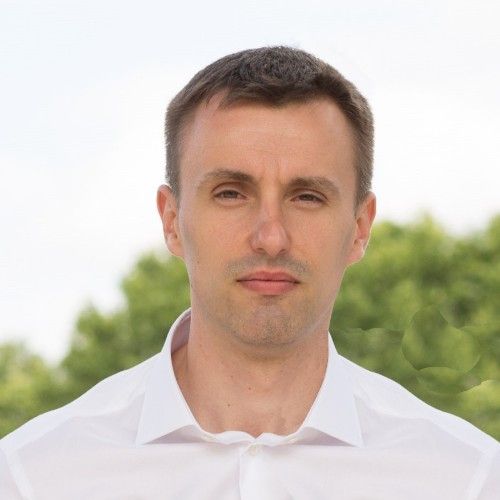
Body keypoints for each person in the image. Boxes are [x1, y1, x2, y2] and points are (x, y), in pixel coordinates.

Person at [1, 46, 498, 499]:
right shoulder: (32, 478)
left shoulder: (468, 480)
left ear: (359, 227)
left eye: (307, 197)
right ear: (172, 221)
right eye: (231, 193)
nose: (271, 237)